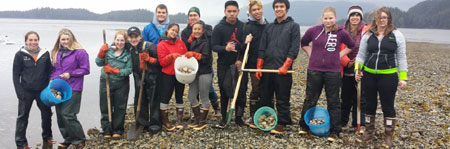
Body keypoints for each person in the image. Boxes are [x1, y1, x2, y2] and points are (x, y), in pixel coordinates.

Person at [299, 7, 355, 141]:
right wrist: (310, 54)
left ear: (335, 18)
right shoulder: (314, 30)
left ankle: (335, 131)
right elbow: (304, 43)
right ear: (322, 18)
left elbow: (351, 45)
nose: (328, 20)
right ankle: (304, 125)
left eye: (331, 18)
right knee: (311, 98)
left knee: (334, 101)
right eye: (326, 18)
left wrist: (339, 55)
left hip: (333, 72)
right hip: (314, 70)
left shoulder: (341, 32)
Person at [355, 7, 408, 148]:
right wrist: (357, 70)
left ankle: (388, 135)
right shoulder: (368, 35)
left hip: (389, 76)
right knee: (369, 104)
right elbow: (360, 55)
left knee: (388, 106)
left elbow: (402, 58)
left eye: (384, 17)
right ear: (375, 19)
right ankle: (369, 131)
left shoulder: (397, 35)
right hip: (369, 75)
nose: (382, 20)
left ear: (389, 19)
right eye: (379, 17)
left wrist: (403, 77)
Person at [256, 0, 300, 134]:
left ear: (287, 9)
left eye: (281, 6)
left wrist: (286, 65)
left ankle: (282, 123)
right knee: (265, 96)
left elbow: (294, 48)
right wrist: (259, 66)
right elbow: (262, 47)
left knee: (282, 97)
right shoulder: (269, 27)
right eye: (276, 7)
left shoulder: (294, 26)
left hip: (283, 70)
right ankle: (268, 119)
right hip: (267, 68)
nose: (279, 9)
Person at [13, 31, 54, 149]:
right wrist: (19, 93)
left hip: (42, 91)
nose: (33, 42)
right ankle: (21, 143)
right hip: (26, 91)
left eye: (35, 40)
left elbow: (49, 72)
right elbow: (15, 75)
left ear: (38, 41)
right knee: (23, 117)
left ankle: (47, 137)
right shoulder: (20, 55)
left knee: (46, 114)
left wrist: (50, 87)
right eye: (30, 40)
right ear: (26, 41)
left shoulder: (45, 54)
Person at [50, 29, 90, 149]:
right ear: (59, 40)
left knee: (68, 114)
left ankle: (79, 140)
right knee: (60, 115)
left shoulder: (80, 52)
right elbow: (53, 71)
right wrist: (53, 78)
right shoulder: (55, 52)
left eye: (68, 39)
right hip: (58, 87)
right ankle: (68, 138)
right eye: (63, 39)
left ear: (72, 39)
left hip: (74, 87)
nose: (65, 41)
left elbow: (85, 69)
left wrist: (70, 74)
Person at [211, 0, 247, 128]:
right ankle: (224, 118)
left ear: (238, 11)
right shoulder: (219, 27)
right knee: (224, 90)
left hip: (238, 64)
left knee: (241, 91)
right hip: (224, 65)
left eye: (234, 11)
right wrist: (224, 48)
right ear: (225, 12)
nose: (232, 14)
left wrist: (240, 60)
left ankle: (238, 118)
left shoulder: (243, 27)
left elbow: (245, 47)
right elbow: (213, 46)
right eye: (229, 11)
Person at [180, 7, 221, 118]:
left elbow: (209, 40)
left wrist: (198, 31)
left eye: (195, 15)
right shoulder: (184, 32)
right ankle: (196, 114)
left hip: (205, 66)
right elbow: (185, 47)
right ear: (188, 18)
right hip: (193, 66)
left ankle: (216, 108)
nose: (193, 17)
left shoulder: (207, 28)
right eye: (191, 15)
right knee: (193, 91)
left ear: (199, 17)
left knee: (208, 89)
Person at [95, 30, 132, 138]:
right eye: (117, 40)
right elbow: (98, 63)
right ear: (114, 40)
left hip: (122, 83)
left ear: (125, 41)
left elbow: (129, 70)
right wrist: (101, 53)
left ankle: (117, 129)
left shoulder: (127, 54)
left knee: (120, 107)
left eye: (122, 40)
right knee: (105, 105)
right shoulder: (108, 51)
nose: (119, 42)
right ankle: (106, 130)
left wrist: (115, 71)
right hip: (106, 81)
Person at [127, 26, 162, 134]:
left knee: (154, 101)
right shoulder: (129, 47)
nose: (133, 39)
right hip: (138, 78)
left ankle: (155, 125)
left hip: (153, 78)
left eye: (136, 36)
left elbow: (160, 62)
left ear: (140, 36)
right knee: (140, 100)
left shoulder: (149, 46)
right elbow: (116, 44)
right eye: (131, 37)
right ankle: (142, 123)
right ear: (128, 38)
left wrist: (150, 60)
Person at [340, 5, 369, 131]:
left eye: (357, 15)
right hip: (345, 67)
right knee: (345, 97)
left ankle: (358, 123)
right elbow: (338, 49)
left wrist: (359, 64)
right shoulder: (342, 31)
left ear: (361, 17)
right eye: (352, 15)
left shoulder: (366, 30)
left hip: (360, 68)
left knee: (360, 98)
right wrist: (347, 62)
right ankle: (342, 121)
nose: (355, 17)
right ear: (349, 17)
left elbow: (368, 50)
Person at [240, 0, 268, 129]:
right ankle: (253, 115)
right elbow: (241, 46)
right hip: (252, 63)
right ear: (250, 12)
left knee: (267, 88)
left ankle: (265, 113)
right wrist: (246, 42)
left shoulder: (267, 25)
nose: (257, 12)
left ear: (262, 10)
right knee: (256, 88)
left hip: (267, 62)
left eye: (258, 9)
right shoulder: (247, 27)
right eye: (254, 10)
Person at [157, 24, 187, 131]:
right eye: (172, 30)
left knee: (179, 96)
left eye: (176, 31)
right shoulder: (161, 44)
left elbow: (185, 56)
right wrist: (170, 56)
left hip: (180, 74)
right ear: (167, 30)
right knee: (165, 97)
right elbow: (162, 62)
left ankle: (179, 120)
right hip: (167, 74)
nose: (174, 33)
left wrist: (189, 56)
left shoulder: (181, 43)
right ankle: (165, 121)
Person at [185, 22, 212, 130]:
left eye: (198, 29)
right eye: (194, 29)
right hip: (194, 72)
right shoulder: (193, 42)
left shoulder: (206, 43)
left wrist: (194, 54)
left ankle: (202, 121)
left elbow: (206, 58)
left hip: (205, 72)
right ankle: (197, 118)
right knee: (191, 96)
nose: (196, 31)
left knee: (204, 96)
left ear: (203, 31)